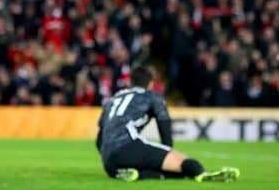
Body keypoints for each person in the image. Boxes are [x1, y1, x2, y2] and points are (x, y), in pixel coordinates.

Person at [96, 66, 240, 182]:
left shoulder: (114, 98)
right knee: (186, 164)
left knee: (158, 168)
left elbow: (99, 140)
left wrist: (108, 157)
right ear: (150, 83)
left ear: (131, 81)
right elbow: (164, 122)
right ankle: (202, 174)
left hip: (108, 161)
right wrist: (167, 151)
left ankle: (129, 173)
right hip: (127, 146)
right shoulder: (151, 96)